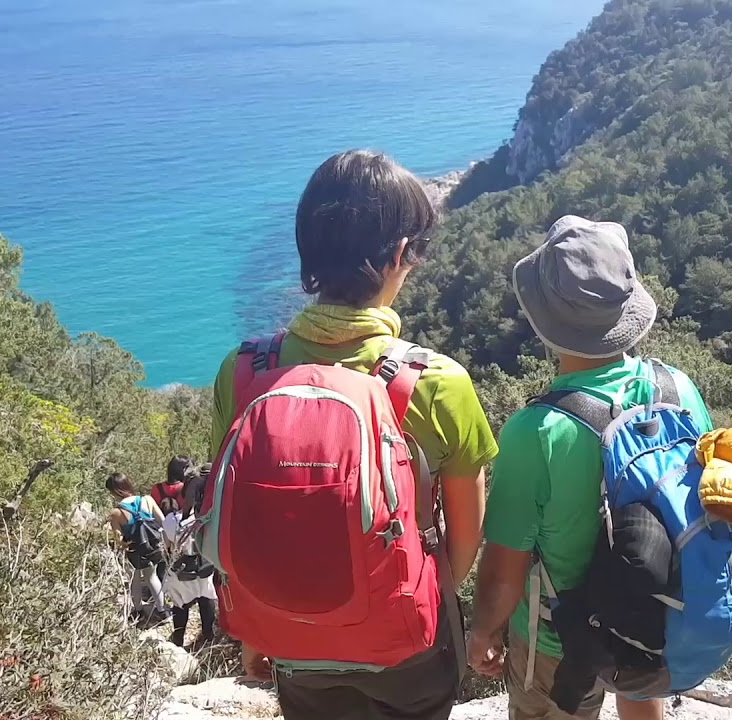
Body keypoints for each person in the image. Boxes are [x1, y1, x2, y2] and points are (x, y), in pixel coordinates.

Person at [206, 149, 498, 720]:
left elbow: (237, 510)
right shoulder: (436, 382)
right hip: (405, 642)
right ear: (397, 255)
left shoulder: (243, 371)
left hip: (290, 634)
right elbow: (466, 536)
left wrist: (259, 628)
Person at [467, 216, 715, 720]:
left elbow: (504, 568)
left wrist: (484, 632)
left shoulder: (535, 431)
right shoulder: (677, 389)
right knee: (640, 690)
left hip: (560, 637)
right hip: (650, 615)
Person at [106, 473, 168, 625]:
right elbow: (163, 522)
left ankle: (138, 610)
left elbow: (119, 540)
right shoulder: (147, 500)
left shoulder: (116, 513)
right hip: (153, 547)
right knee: (152, 577)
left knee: (135, 579)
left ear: (115, 491)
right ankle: (163, 611)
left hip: (135, 551)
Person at [162, 478, 217, 648]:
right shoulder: (212, 519)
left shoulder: (172, 520)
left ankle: (178, 638)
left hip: (181, 570)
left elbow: (167, 545)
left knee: (180, 603)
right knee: (206, 597)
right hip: (205, 565)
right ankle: (208, 635)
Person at [153, 455, 193, 584]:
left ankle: (162, 590)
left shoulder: (157, 488)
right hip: (181, 534)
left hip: (162, 532)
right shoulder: (186, 488)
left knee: (162, 564)